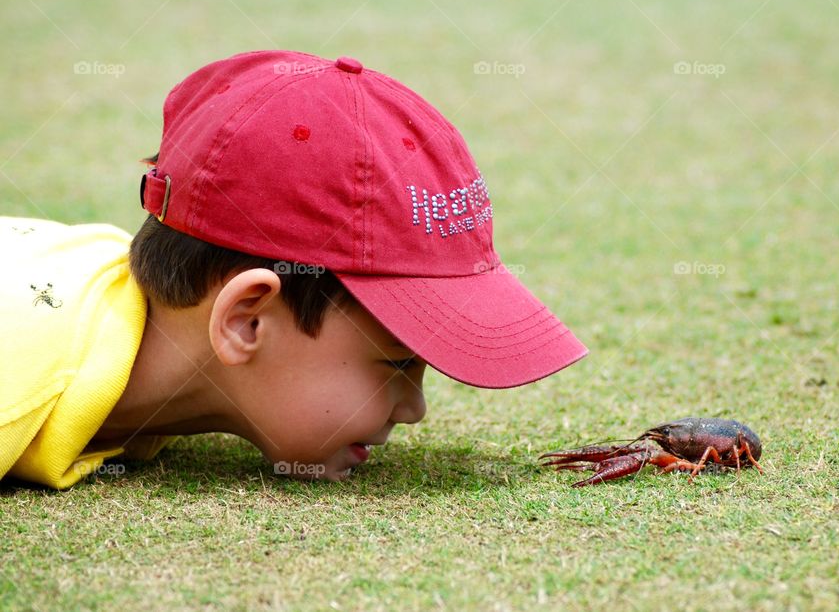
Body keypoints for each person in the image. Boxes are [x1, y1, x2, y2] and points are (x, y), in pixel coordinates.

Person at [0, 50, 588, 489]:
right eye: (396, 363)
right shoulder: (18, 378)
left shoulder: (113, 309)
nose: (414, 410)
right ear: (246, 320)